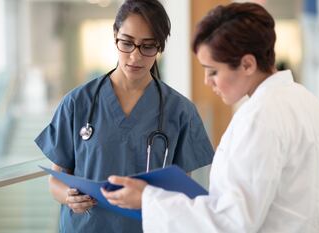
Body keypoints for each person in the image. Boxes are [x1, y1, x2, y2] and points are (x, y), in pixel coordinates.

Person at [102, 2, 319, 232]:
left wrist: (148, 199)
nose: (208, 81)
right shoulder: (309, 102)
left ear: (247, 64)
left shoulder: (260, 118)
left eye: (213, 71)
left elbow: (231, 222)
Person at [34, 0, 214, 232]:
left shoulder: (180, 111)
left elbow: (180, 191)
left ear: (160, 46)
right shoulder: (77, 103)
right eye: (127, 43)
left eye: (148, 46)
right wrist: (68, 197)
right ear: (115, 36)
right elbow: (55, 181)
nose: (135, 57)